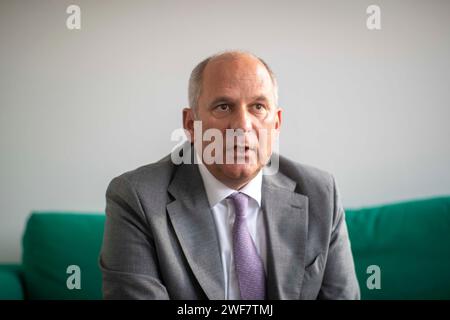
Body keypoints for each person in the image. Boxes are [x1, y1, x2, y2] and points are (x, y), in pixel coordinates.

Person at [99, 51, 360, 300]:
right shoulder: (136, 198)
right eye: (224, 107)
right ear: (191, 124)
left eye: (258, 107)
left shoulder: (320, 194)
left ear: (277, 123)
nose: (243, 125)